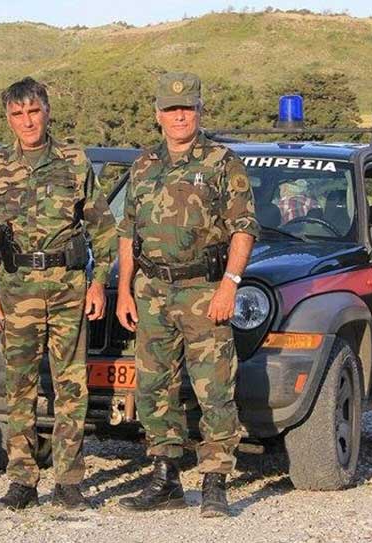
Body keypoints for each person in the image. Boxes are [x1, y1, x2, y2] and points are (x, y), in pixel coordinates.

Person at [0, 77, 117, 511]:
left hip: (68, 286)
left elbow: (102, 228)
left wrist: (98, 281)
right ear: (8, 119)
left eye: (33, 111)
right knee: (20, 387)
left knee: (72, 385)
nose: (27, 121)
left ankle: (68, 481)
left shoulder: (73, 160)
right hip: (17, 290)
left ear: (47, 111)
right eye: (18, 114)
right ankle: (22, 481)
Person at [114, 72, 258, 518]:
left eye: (187, 108)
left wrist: (230, 284)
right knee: (154, 387)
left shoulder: (222, 162)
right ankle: (166, 478)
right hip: (152, 291)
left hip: (203, 290)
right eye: (171, 109)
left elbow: (244, 228)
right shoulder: (143, 165)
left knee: (214, 388)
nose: (180, 117)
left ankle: (215, 481)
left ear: (199, 111)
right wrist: (124, 290)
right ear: (158, 114)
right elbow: (127, 232)